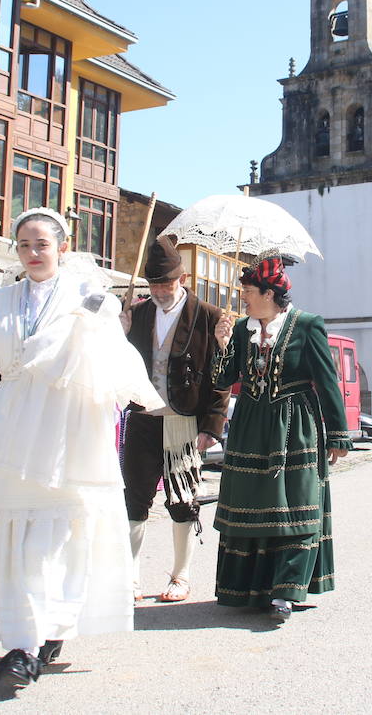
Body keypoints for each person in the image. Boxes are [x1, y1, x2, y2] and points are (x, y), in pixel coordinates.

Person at [0, 208, 162, 688]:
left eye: (41, 244)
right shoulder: (0, 300)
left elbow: (117, 358)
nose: (32, 253)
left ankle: (37, 638)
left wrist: (109, 330)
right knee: (18, 537)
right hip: (11, 428)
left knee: (55, 541)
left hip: (68, 431)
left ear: (62, 248)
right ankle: (23, 640)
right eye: (24, 245)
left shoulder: (88, 298)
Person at [211, 256, 353, 623]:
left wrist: (338, 434)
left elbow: (327, 382)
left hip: (295, 426)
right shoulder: (242, 329)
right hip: (249, 428)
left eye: (247, 292)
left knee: (295, 504)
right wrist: (222, 341)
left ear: (269, 293)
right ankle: (253, 589)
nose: (243, 298)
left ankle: (287, 592)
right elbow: (222, 379)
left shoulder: (307, 326)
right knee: (251, 505)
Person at [120, 236, 228, 603]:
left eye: (166, 283)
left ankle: (180, 577)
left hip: (183, 417)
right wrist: (118, 334)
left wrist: (212, 425)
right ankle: (129, 578)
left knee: (183, 500)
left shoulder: (209, 316)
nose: (161, 291)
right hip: (142, 415)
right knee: (134, 497)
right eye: (154, 284)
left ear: (182, 279)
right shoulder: (137, 313)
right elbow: (118, 363)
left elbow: (221, 375)